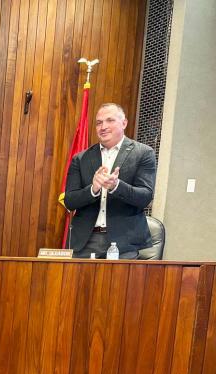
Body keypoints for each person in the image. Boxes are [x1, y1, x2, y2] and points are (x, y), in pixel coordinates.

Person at [64, 103, 157, 258]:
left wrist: (117, 186)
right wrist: (92, 190)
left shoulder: (143, 153)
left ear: (124, 123)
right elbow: (70, 201)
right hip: (85, 242)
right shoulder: (81, 158)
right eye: (99, 123)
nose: (103, 127)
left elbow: (145, 197)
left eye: (110, 120)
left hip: (124, 242)